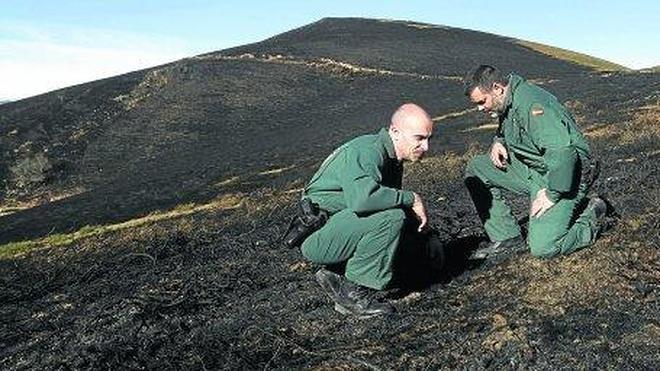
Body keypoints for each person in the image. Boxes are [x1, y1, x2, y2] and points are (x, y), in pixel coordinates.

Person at [462, 65, 609, 260]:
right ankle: (507, 238)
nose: (480, 108)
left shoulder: (532, 105)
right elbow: (508, 123)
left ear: (497, 88)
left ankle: (594, 212)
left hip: (566, 174)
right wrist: (499, 140)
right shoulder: (509, 98)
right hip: (535, 168)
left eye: (482, 101)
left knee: (543, 247)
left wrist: (551, 194)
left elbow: (563, 153)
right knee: (477, 168)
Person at [300, 103, 433, 318]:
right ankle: (353, 293)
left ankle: (336, 274)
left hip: (338, 230)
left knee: (400, 221)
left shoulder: (389, 157)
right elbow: (362, 201)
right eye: (419, 138)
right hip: (319, 237)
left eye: (428, 139)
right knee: (392, 218)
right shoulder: (368, 151)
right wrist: (411, 198)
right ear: (395, 132)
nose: (426, 147)